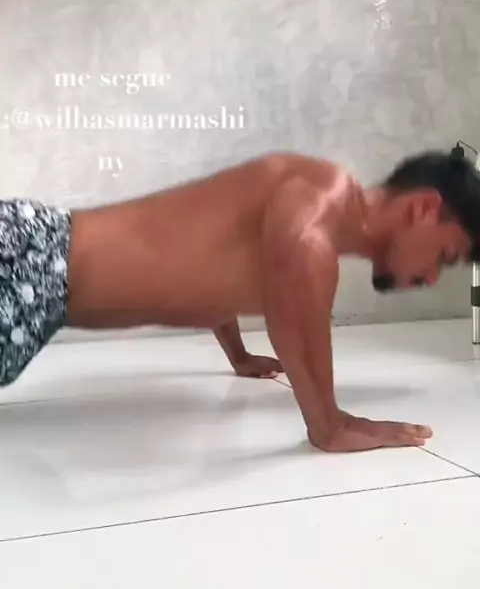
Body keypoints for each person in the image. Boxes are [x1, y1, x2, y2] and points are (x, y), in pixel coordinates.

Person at [1, 149, 479, 453]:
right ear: (423, 209)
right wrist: (330, 424)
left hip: (37, 293)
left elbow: (212, 266)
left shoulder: (306, 211)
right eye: (445, 256)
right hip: (30, 261)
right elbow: (296, 269)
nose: (431, 277)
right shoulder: (323, 193)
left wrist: (239, 354)